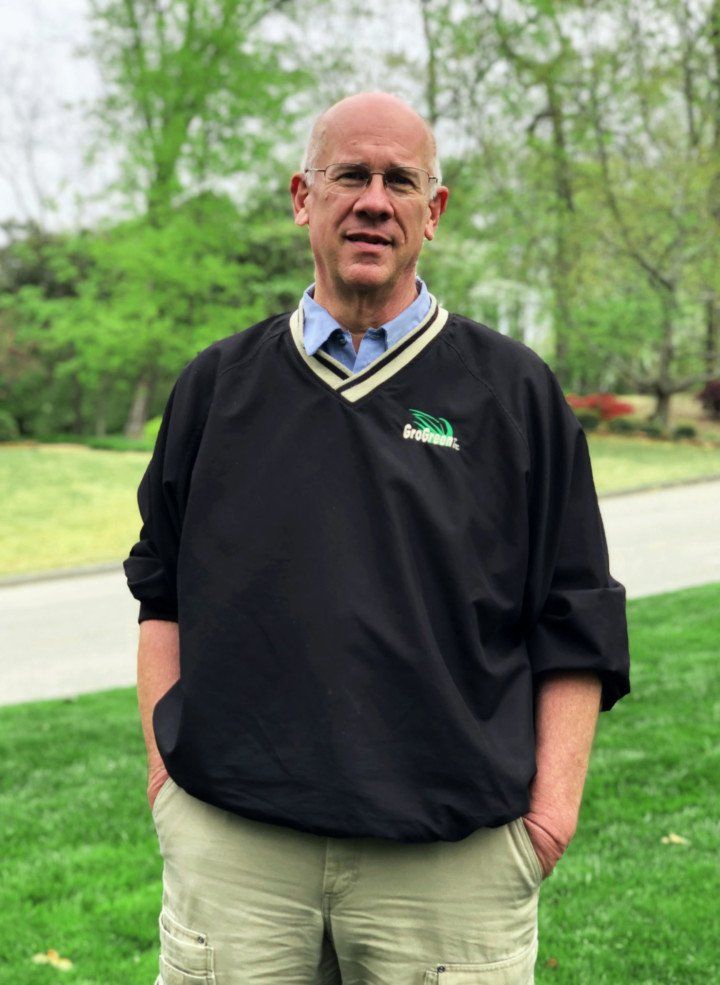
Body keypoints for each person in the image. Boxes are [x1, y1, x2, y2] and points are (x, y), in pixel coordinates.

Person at [124, 91, 631, 985]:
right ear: (301, 197)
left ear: (432, 213)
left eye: (401, 180)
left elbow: (575, 615)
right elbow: (159, 591)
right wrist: (169, 788)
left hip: (448, 870)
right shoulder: (214, 388)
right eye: (349, 174)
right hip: (238, 859)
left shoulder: (515, 395)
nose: (373, 199)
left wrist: (548, 819)